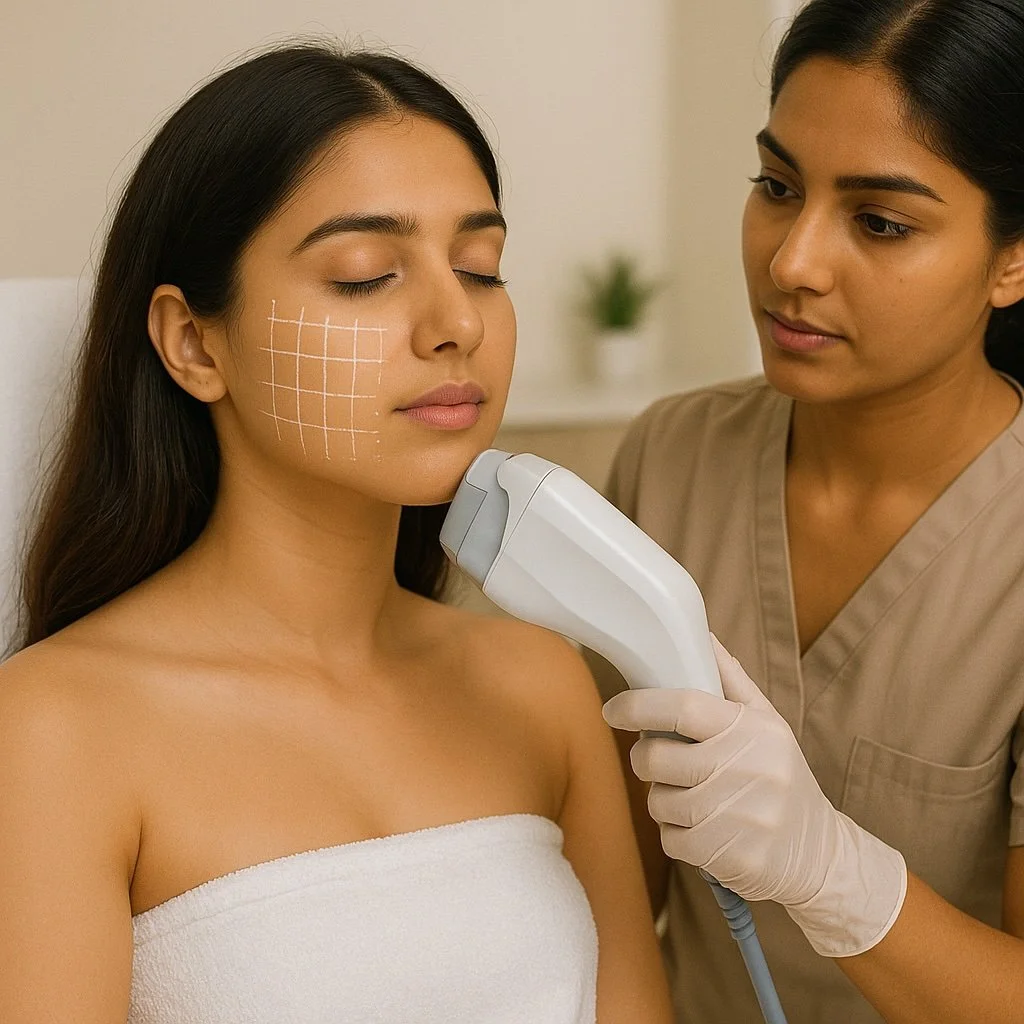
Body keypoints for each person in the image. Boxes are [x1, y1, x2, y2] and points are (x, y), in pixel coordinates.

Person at [0, 44, 672, 1024]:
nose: (455, 323)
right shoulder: (53, 732)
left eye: (481, 267)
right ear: (193, 342)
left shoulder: (540, 684)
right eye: (364, 277)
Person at [589, 1, 1024, 1021]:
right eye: (777, 187)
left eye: (879, 220)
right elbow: (613, 897)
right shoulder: (671, 460)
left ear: (1013, 258)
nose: (792, 262)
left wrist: (836, 877)